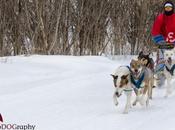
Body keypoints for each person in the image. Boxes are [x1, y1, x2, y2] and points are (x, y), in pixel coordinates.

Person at [151, 1, 175, 86]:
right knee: (162, 61)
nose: (168, 9)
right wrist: (161, 41)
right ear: (164, 9)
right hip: (163, 43)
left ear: (172, 8)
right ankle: (160, 82)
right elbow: (155, 31)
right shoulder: (161, 17)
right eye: (166, 7)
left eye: (170, 7)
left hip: (174, 43)